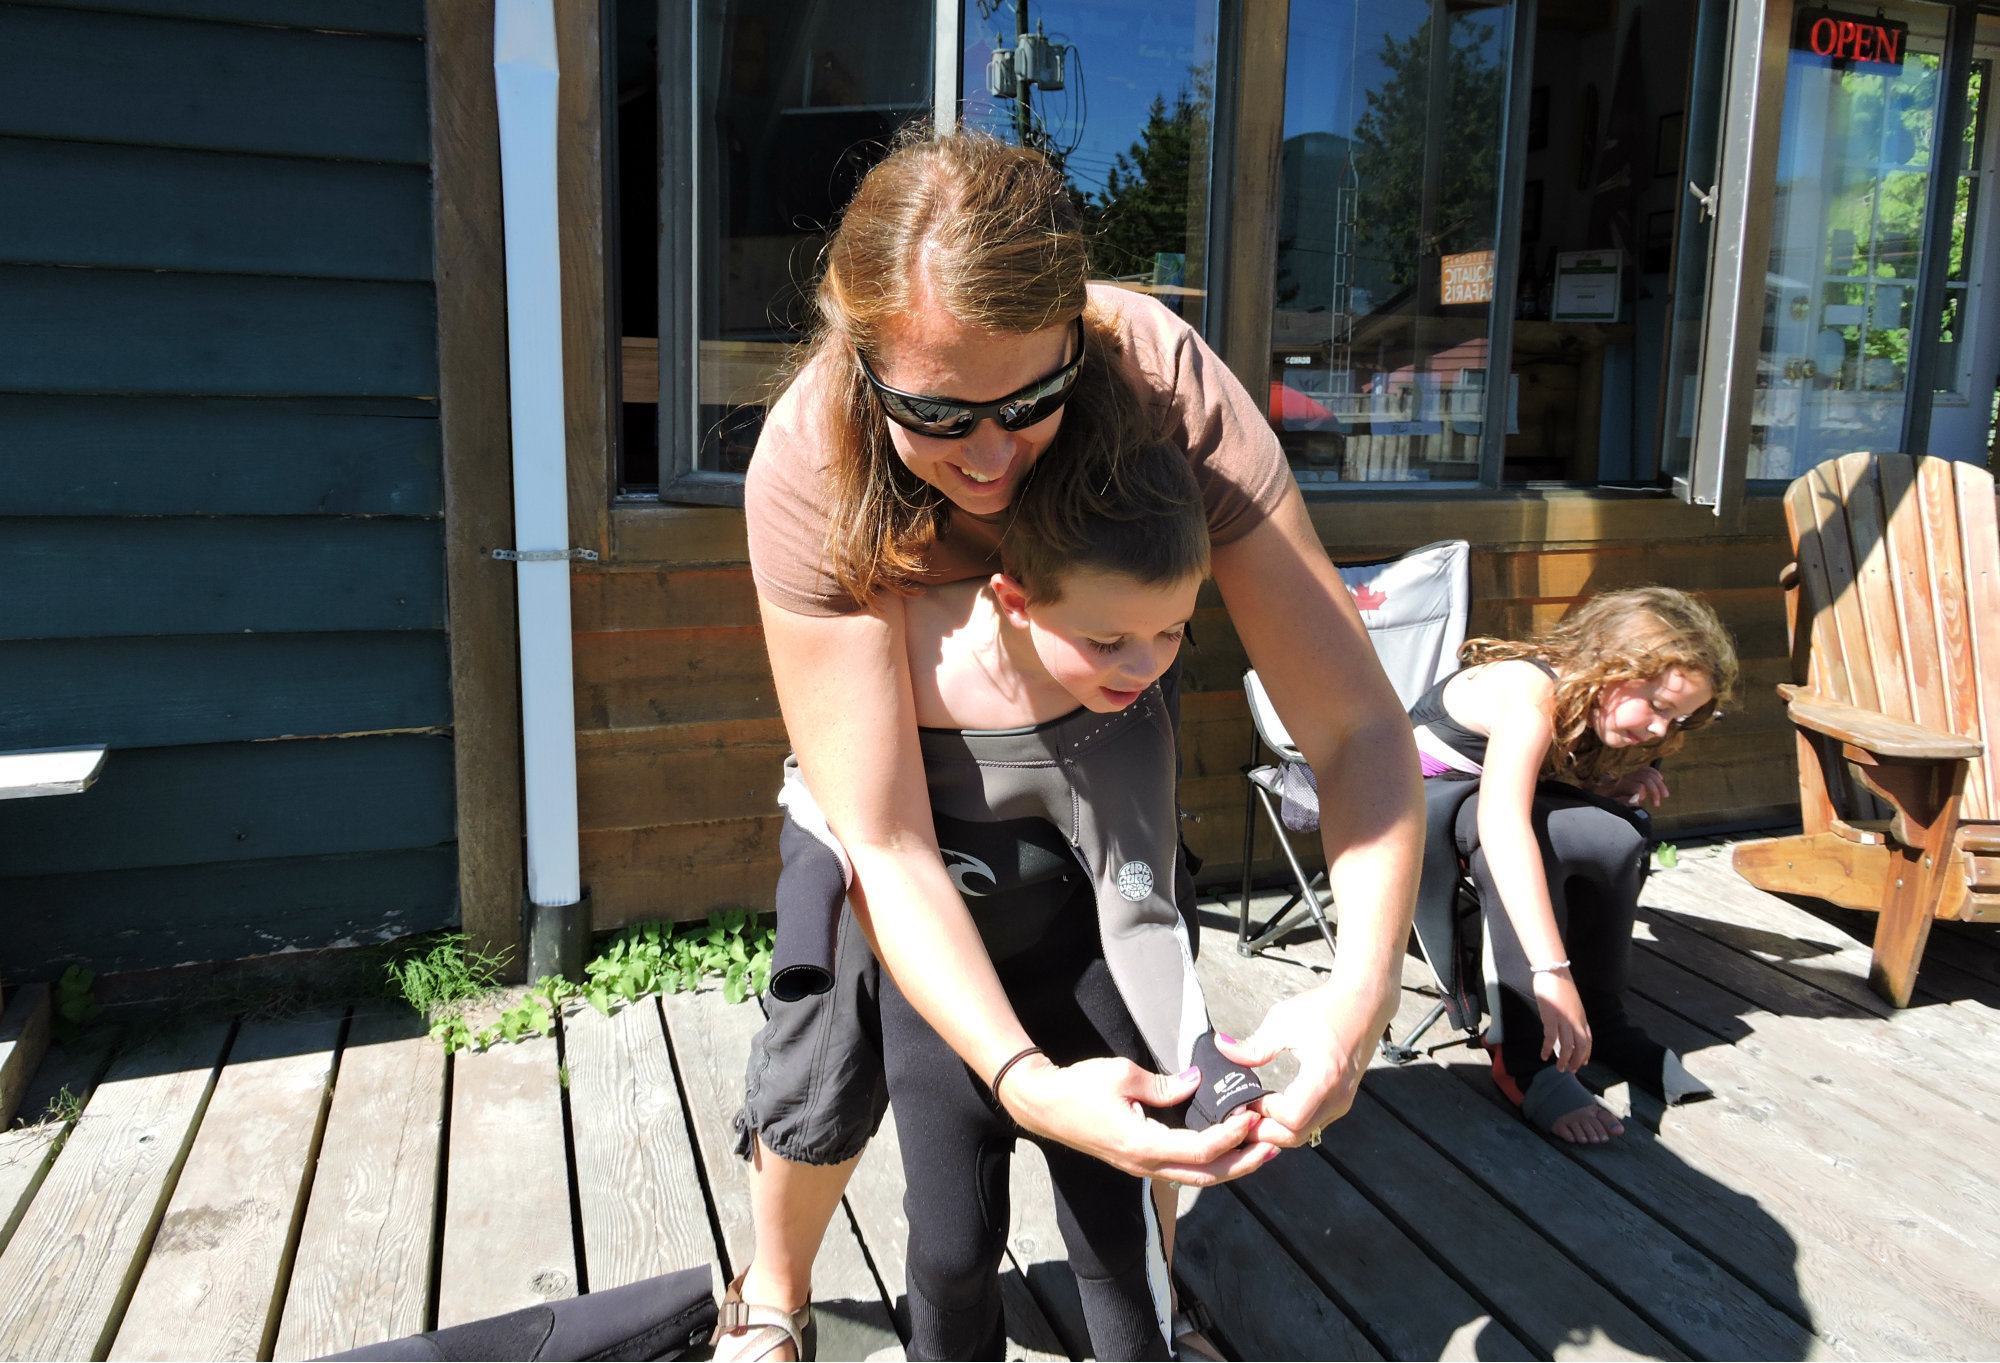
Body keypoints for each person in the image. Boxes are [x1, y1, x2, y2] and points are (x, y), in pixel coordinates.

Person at [719, 126, 1423, 1360]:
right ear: (865, 361)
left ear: (1073, 341)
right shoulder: (807, 460)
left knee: (1141, 1021)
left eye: (1027, 403)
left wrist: (1355, 999)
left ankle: (1152, 1301)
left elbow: (1356, 723)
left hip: (1099, 766)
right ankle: (771, 1296)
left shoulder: (1158, 380)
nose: (987, 459)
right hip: (885, 796)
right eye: (935, 414)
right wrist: (1020, 1082)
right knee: (825, 1048)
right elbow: (883, 837)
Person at [726, 444, 1265, 1360]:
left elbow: (1143, 909)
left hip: (1077, 985)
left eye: (1174, 631)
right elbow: (827, 806)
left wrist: (1204, 1057)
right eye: (1112, 641)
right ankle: (771, 1298)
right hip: (930, 1001)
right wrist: (808, 907)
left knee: (1114, 1244)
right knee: (948, 1250)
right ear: (1016, 600)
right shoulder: (892, 636)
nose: (1145, 664)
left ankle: (1159, 1339)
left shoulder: (1122, 707)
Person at [1407, 586, 1739, 1144]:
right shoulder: (1530, 693)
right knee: (1542, 838)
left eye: (1676, 719)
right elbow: (1505, 824)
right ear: (1610, 665)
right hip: (1413, 803)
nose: (1661, 729)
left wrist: (1608, 783)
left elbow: (1546, 776)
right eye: (1657, 706)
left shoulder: (1587, 701)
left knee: (1613, 835)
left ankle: (1604, 1023)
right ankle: (1523, 1053)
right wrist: (1552, 971)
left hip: (1482, 795)